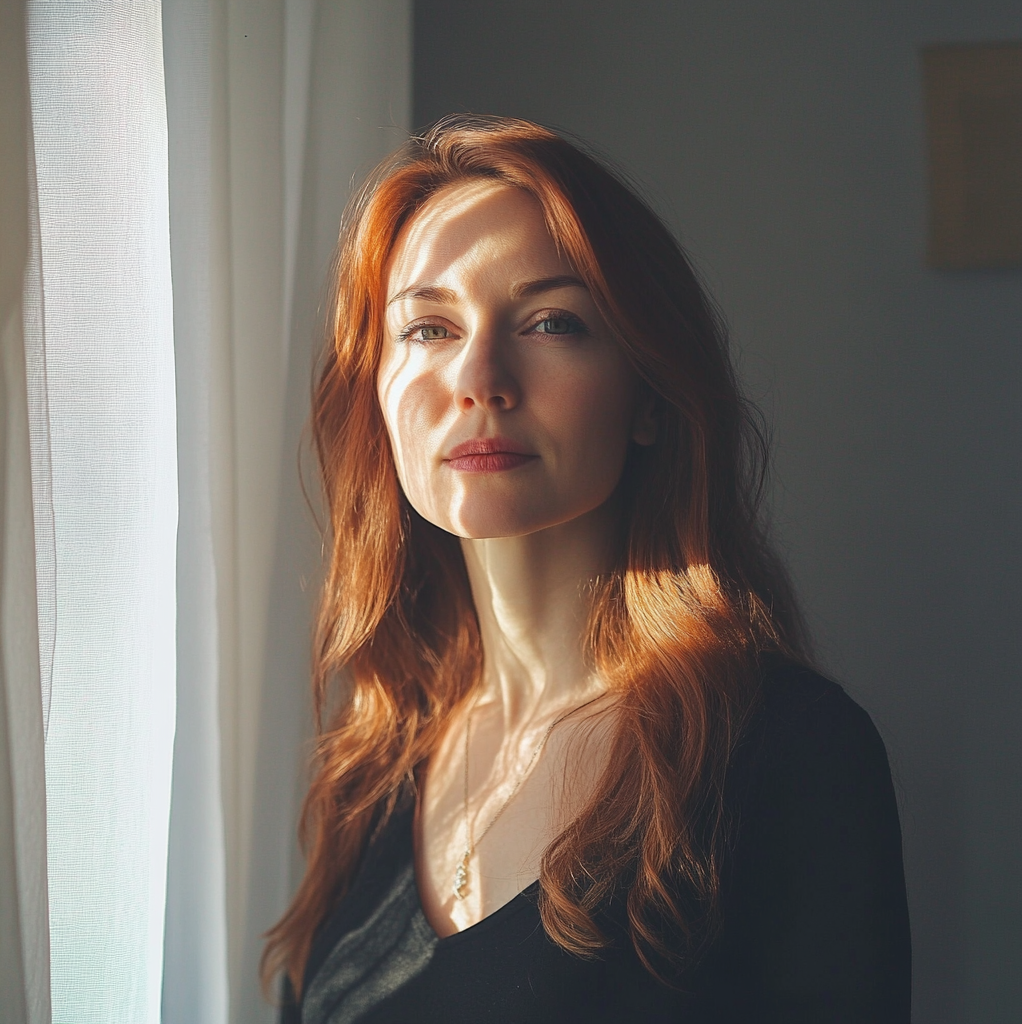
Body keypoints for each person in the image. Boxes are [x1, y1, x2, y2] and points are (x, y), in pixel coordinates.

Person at [265, 115, 911, 1023]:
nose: (480, 378)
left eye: (550, 322)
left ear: (648, 394)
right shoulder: (375, 767)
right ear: (375, 391)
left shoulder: (785, 753)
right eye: (428, 329)